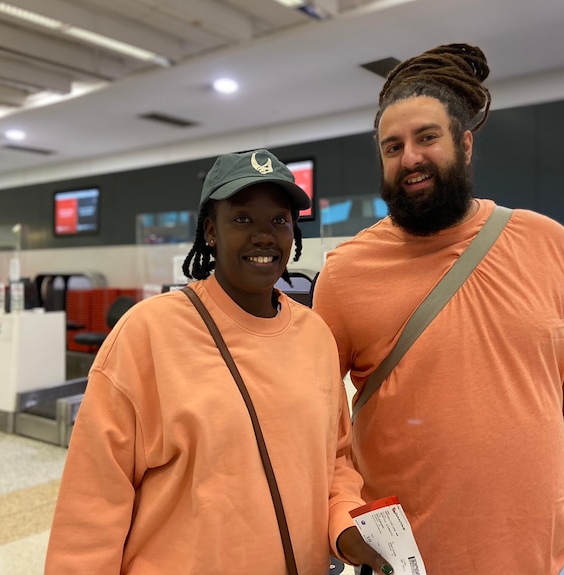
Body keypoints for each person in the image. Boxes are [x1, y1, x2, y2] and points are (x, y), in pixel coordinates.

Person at [312, 44, 564, 575]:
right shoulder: (346, 273)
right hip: (411, 562)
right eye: (392, 146)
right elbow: (316, 421)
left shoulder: (546, 241)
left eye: (427, 137)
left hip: (553, 554)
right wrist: (340, 520)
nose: (410, 158)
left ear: (465, 144)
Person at [45, 149, 392, 575]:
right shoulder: (148, 333)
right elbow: (92, 504)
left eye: (279, 221)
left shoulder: (315, 337)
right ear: (211, 231)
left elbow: (335, 459)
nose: (264, 236)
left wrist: (344, 524)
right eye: (242, 219)